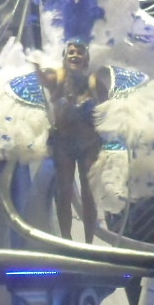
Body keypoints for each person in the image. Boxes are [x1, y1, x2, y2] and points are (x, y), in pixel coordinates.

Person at [35, 39, 111, 239]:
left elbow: (109, 108)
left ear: (86, 58)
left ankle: (88, 242)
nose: (75, 55)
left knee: (89, 194)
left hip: (89, 144)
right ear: (65, 58)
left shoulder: (94, 81)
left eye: (79, 52)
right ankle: (66, 239)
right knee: (64, 192)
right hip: (63, 144)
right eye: (71, 52)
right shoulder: (58, 79)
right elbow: (43, 79)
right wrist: (35, 65)